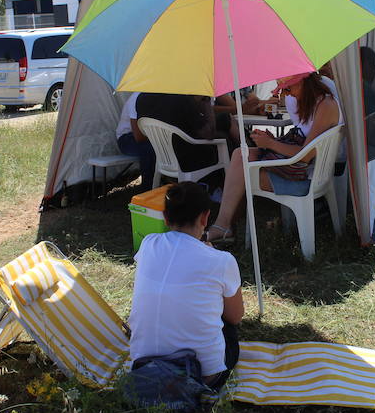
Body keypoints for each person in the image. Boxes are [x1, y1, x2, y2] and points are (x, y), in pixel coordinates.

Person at [128, 182, 244, 389]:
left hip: (144, 366)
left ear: (165, 217)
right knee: (227, 326)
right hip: (202, 375)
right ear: (205, 217)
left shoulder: (149, 244)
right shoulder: (222, 260)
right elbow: (235, 316)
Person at [205, 72, 341, 243]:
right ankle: (225, 226)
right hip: (297, 168)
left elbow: (305, 156)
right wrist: (272, 140)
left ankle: (224, 227)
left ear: (304, 83)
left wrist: (270, 144)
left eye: (288, 88)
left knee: (241, 170)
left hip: (304, 176)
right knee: (241, 155)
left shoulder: (326, 106)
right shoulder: (312, 103)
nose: (286, 94)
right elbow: (302, 145)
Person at [115, 92, 156, 189]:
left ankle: (165, 181)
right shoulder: (136, 99)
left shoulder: (158, 96)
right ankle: (147, 188)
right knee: (149, 148)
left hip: (147, 136)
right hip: (126, 139)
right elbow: (138, 137)